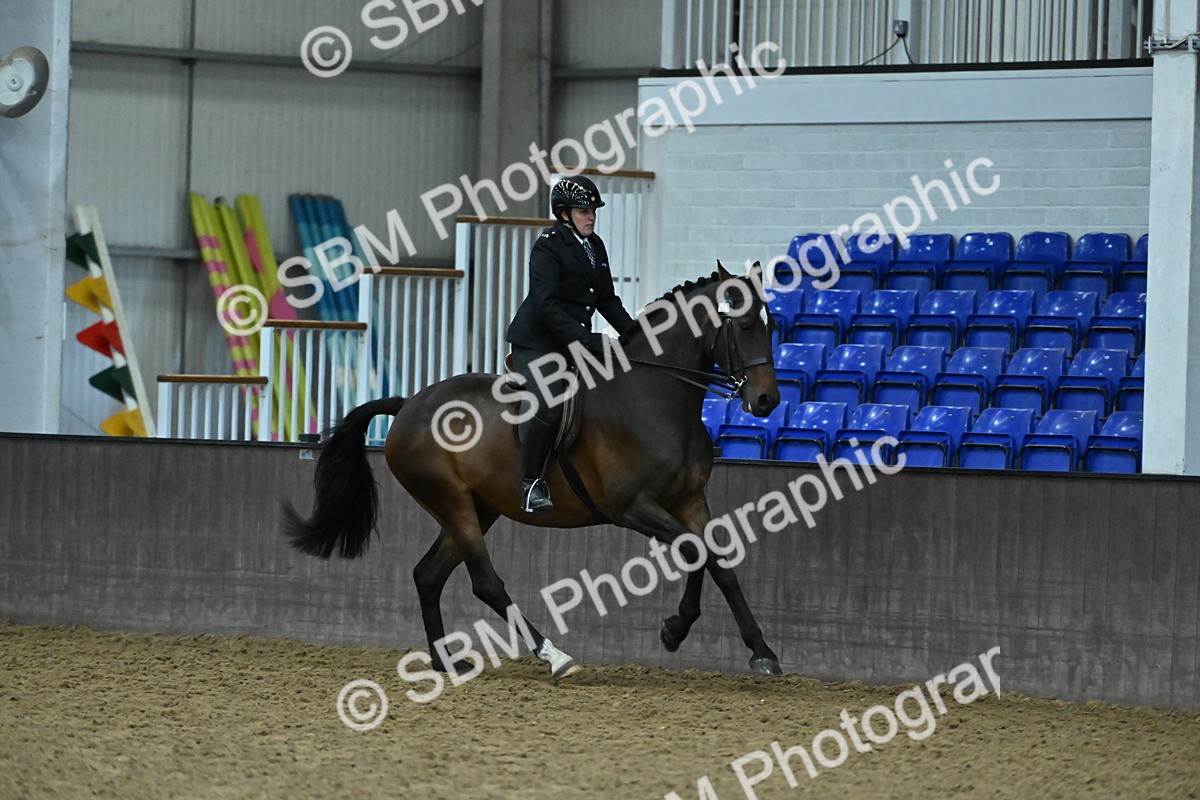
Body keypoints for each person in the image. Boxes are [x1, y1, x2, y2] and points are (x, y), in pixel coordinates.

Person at [506, 176, 639, 513]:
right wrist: (589, 340)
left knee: (621, 386)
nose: (591, 216)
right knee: (549, 403)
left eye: (593, 210)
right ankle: (531, 484)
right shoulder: (548, 246)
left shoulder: (595, 246)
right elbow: (546, 304)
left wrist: (636, 337)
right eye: (584, 211)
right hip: (537, 343)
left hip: (573, 342)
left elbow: (607, 300)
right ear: (564, 214)